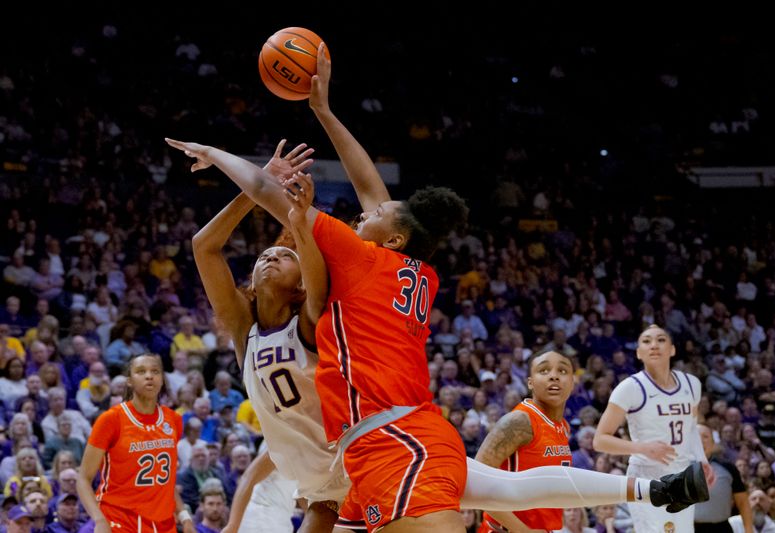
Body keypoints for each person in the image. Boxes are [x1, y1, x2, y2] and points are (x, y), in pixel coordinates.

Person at [166, 58, 710, 532]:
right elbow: (373, 191)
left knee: (501, 489)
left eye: (372, 217)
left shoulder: (360, 260)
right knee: (502, 488)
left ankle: (650, 489)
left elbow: (270, 192)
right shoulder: (410, 268)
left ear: (394, 236)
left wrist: (215, 153)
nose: (364, 211)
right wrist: (324, 112)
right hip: (409, 428)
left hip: (387, 437)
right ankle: (649, 489)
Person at [190, 142, 341, 533]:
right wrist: (254, 190)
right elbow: (204, 246)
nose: (271, 257)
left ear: (299, 286)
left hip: (355, 472)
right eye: (263, 257)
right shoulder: (246, 333)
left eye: (284, 256)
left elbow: (314, 256)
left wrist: (299, 221)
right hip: (323, 492)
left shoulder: (309, 319)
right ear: (252, 284)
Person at [594, 324, 715, 533]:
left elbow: (691, 427)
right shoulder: (630, 388)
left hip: (683, 474)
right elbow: (600, 440)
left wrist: (702, 459)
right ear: (639, 353)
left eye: (661, 340)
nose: (654, 345)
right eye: (647, 341)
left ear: (673, 349)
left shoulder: (692, 384)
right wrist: (642, 448)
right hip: (646, 475)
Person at [76, 353, 195, 533]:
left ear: (162, 379)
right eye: (141, 371)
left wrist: (185, 517)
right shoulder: (111, 419)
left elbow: (166, 482)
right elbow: (83, 478)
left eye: (155, 371)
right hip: (119, 519)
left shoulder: (174, 420)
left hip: (163, 523)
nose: (149, 376)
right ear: (130, 381)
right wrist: (99, 520)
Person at [475, 350, 574, 533]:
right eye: (544, 371)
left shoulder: (562, 426)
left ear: (572, 383)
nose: (554, 376)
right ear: (530, 383)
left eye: (562, 371)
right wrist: (522, 530)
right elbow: (476, 482)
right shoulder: (519, 421)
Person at [694, 424, 753, 532]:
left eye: (705, 437)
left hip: (721, 528)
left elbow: (743, 502)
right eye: (696, 437)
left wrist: (749, 530)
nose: (701, 441)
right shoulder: (679, 468)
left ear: (713, 443)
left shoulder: (728, 467)